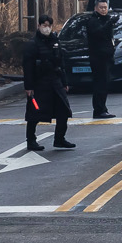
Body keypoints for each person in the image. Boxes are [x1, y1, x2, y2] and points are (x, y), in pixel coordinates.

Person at [22, 15, 74, 152]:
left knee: (64, 110)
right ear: (39, 26)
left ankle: (60, 139)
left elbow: (61, 63)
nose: (47, 28)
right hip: (39, 83)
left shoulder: (55, 41)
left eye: (49, 25)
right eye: (44, 25)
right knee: (35, 112)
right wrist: (28, 86)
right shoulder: (32, 44)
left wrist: (64, 81)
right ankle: (31, 140)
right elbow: (28, 67)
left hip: (55, 82)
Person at [84, 0, 120, 119]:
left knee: (104, 84)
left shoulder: (106, 19)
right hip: (98, 58)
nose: (104, 10)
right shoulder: (93, 21)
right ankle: (99, 110)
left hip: (106, 57)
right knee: (100, 85)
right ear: (95, 8)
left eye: (105, 7)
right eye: (101, 7)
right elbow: (99, 33)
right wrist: (110, 23)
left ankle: (103, 108)